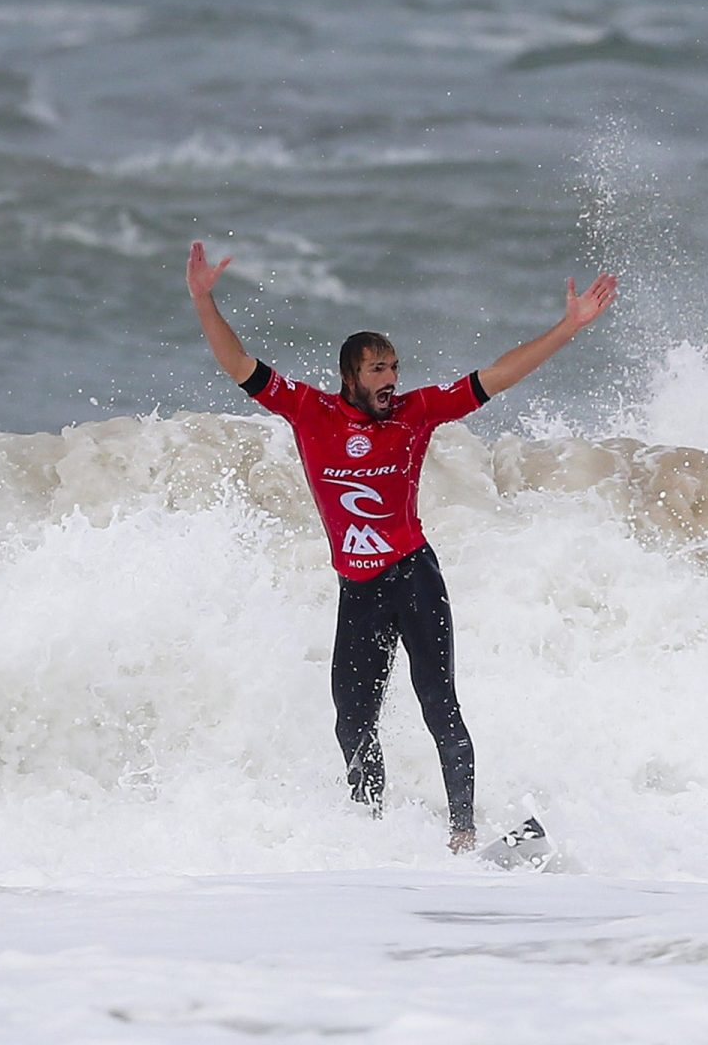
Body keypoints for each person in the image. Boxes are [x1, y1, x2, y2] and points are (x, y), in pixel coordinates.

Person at [186, 240, 617, 853]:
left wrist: (567, 329)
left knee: (438, 704)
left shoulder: (417, 413)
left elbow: (498, 374)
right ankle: (369, 832)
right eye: (378, 370)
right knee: (352, 719)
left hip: (412, 578)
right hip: (356, 591)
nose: (392, 380)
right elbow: (239, 365)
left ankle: (463, 835)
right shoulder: (308, 410)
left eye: (394, 368)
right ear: (350, 377)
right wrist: (204, 300)